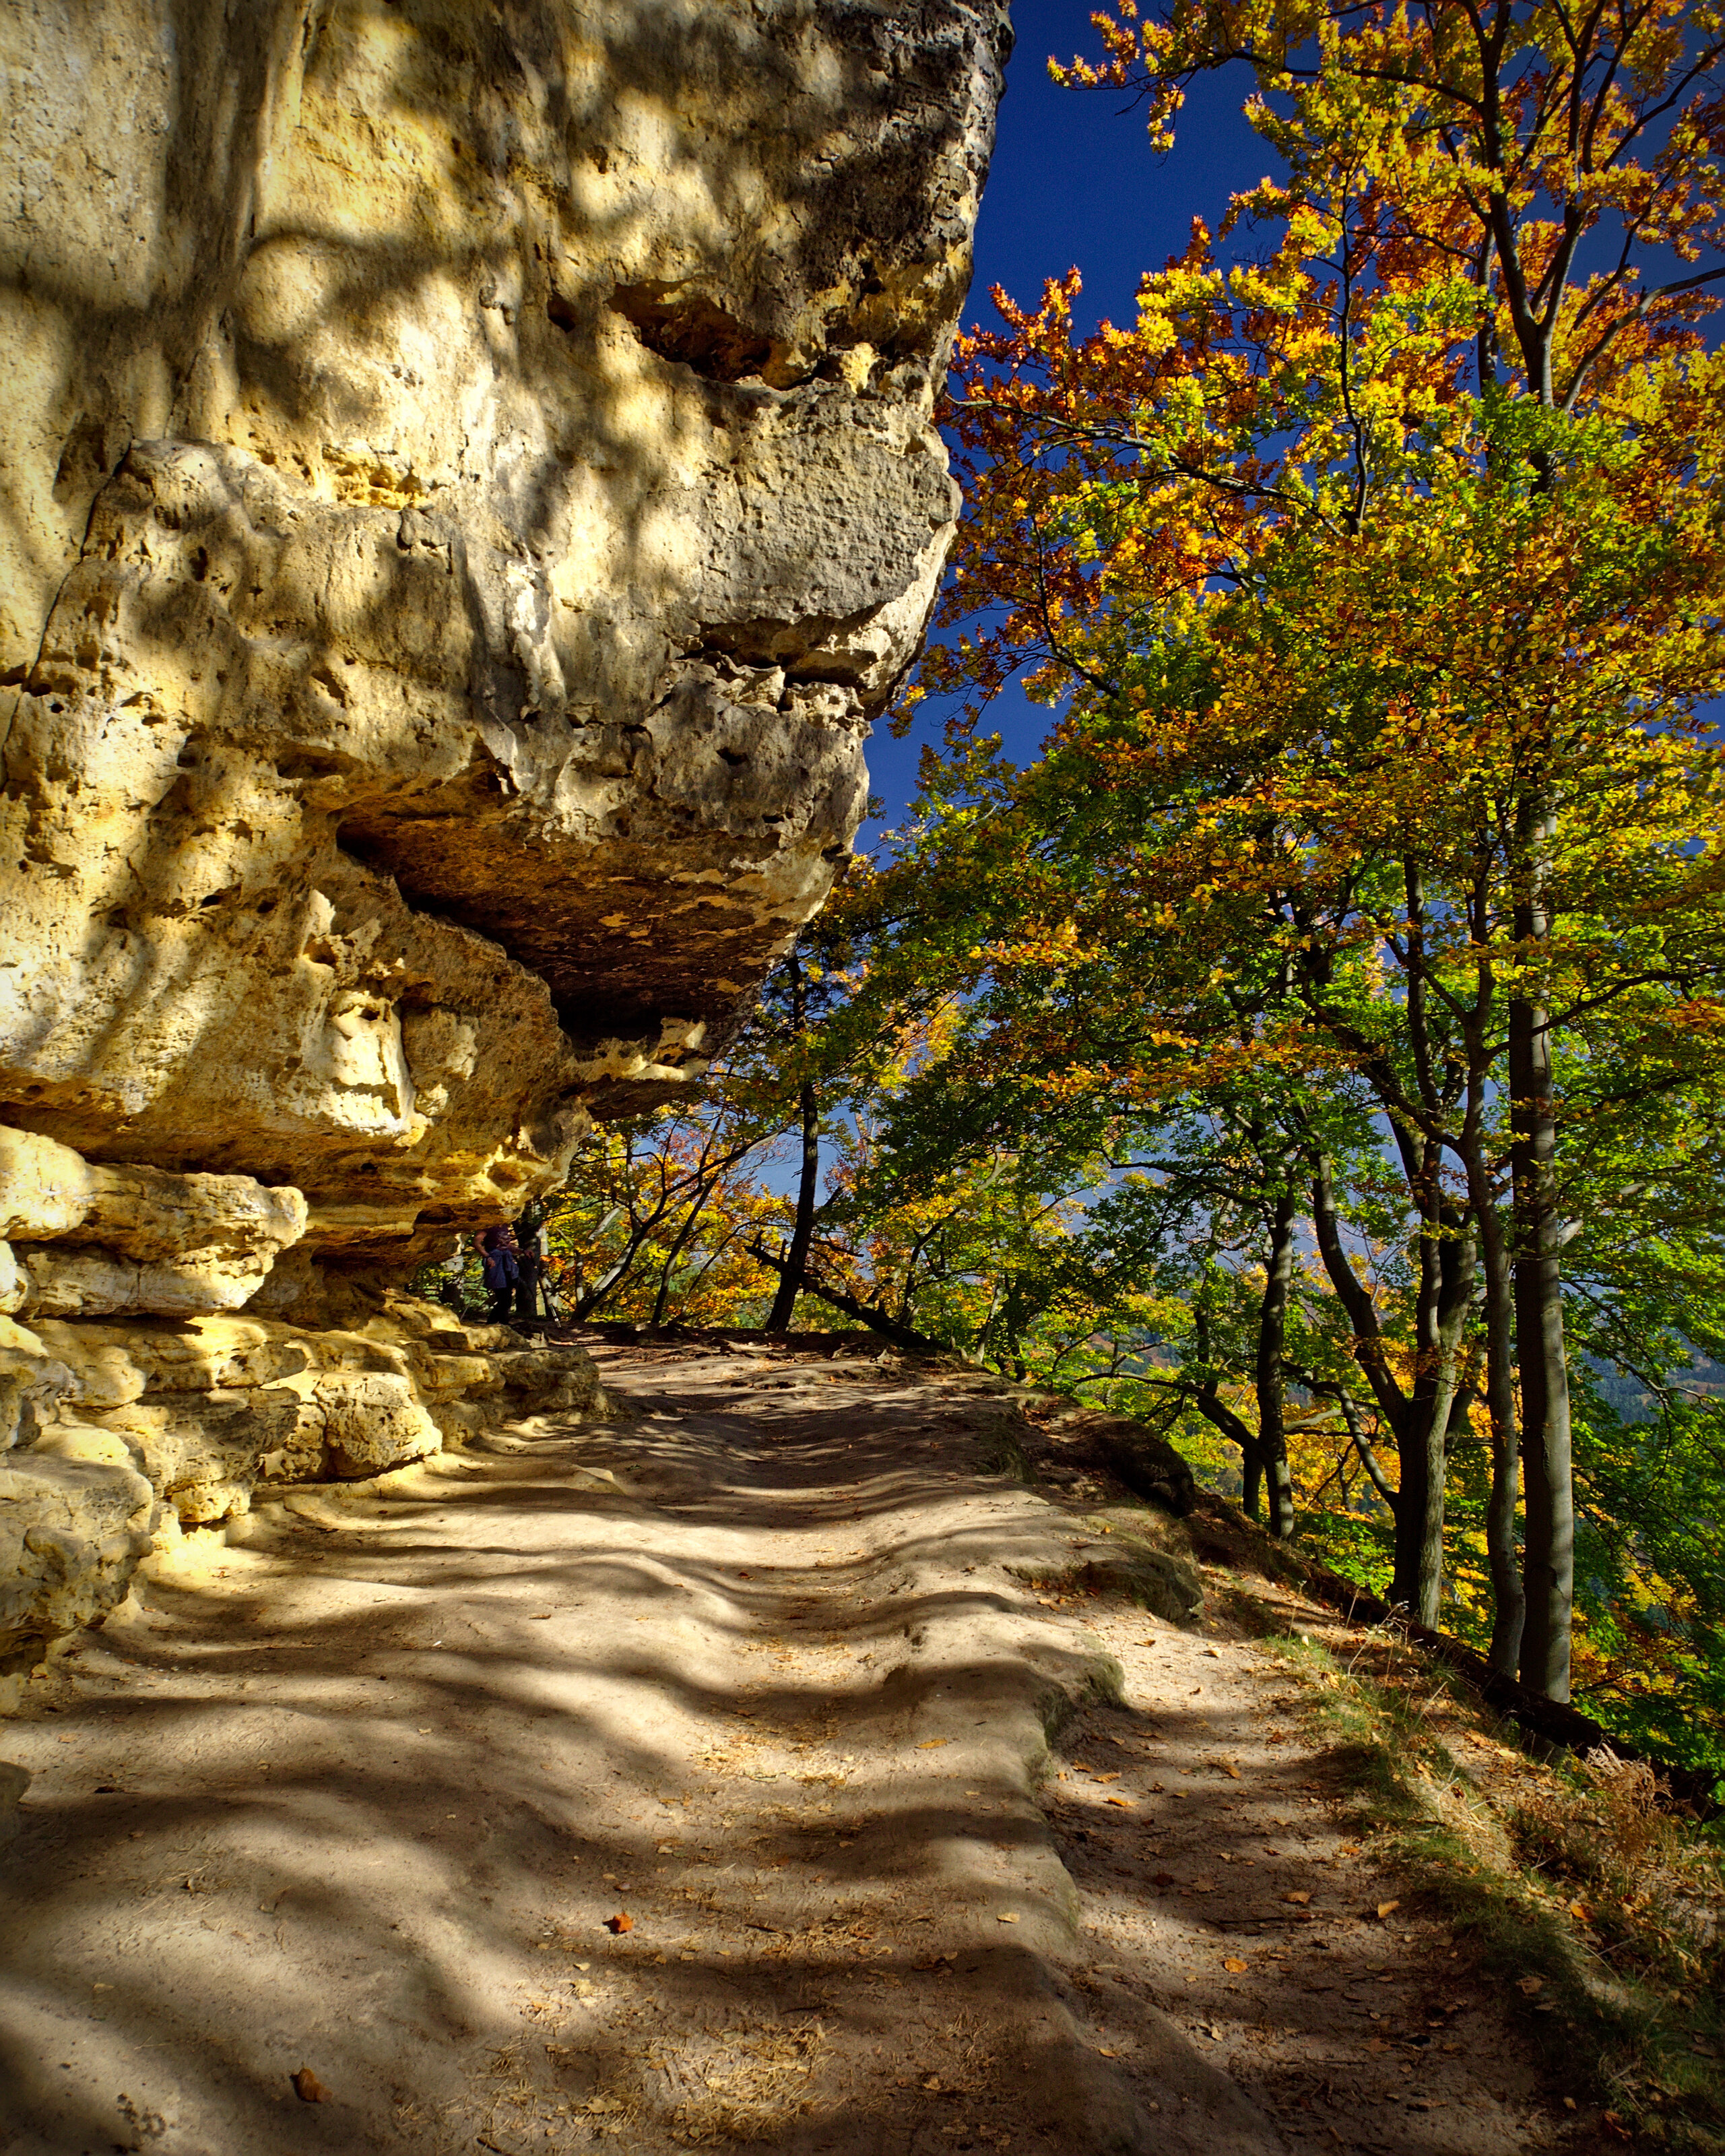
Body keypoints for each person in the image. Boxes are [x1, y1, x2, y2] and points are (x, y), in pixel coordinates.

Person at [477, 1225, 519, 1323]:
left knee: (507, 1297)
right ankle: (497, 1323)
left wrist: (523, 1251)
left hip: (507, 1265)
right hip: (496, 1264)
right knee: (504, 1297)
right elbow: (476, 1242)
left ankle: (499, 1323)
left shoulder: (504, 1227)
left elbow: (508, 1246)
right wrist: (487, 1257)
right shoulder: (488, 1226)